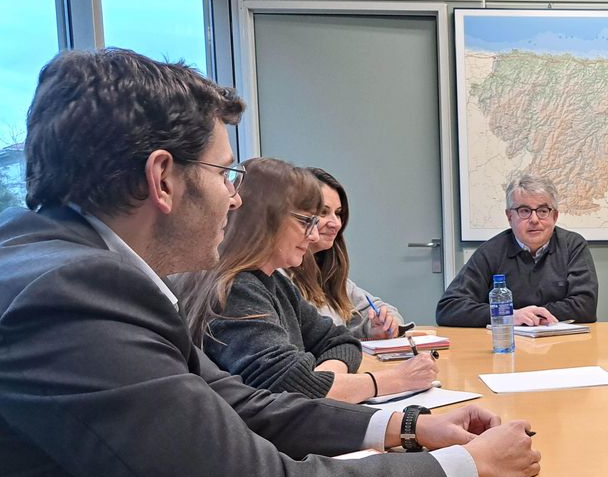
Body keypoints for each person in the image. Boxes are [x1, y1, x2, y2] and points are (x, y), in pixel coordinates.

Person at [0, 49, 539, 477]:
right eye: (225, 174)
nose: (234, 199)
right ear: (162, 179)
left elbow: (240, 405)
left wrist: (406, 426)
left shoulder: (68, 265)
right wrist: (465, 468)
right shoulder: (72, 294)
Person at [178, 157, 436, 404]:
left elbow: (340, 341)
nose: (313, 236)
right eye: (305, 221)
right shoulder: (237, 288)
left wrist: (321, 380)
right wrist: (396, 379)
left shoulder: (275, 283)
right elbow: (293, 389)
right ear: (264, 220)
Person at [436, 173, 598, 327]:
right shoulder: (491, 251)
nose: (534, 220)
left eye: (542, 211)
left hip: (561, 342)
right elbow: (449, 308)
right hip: (507, 341)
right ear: (509, 216)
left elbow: (586, 306)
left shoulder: (573, 246)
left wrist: (532, 316)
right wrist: (508, 315)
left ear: (554, 216)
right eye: (524, 211)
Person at [286, 167, 405, 340]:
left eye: (338, 213)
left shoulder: (327, 273)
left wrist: (384, 325)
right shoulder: (280, 276)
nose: (335, 223)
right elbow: (315, 343)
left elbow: (382, 309)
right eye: (323, 212)